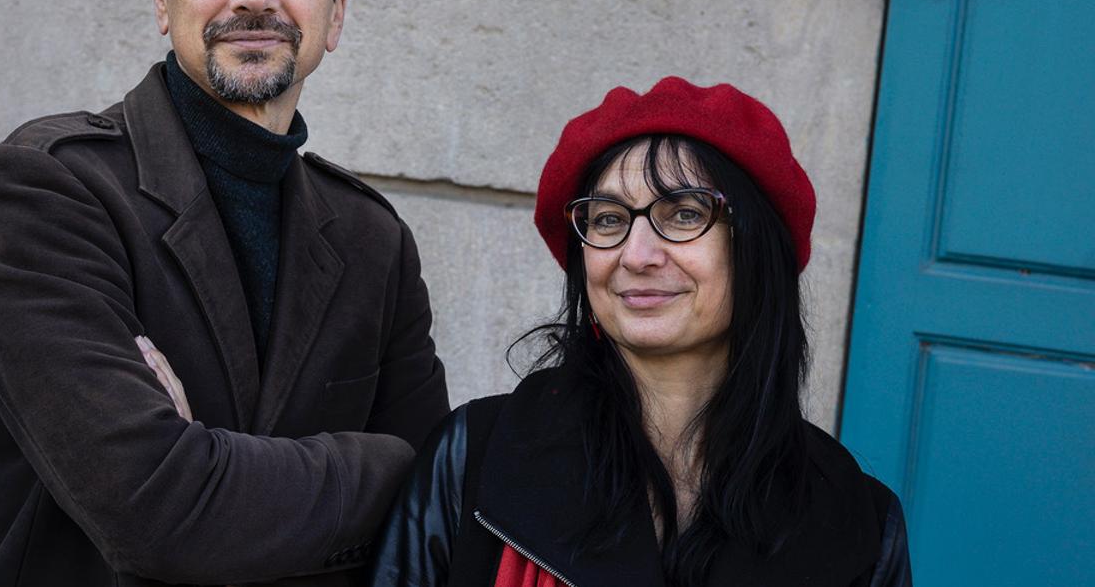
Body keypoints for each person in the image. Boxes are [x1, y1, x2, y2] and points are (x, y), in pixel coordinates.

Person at [0, 0, 447, 585]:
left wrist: (215, 470)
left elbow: (435, 517)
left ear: (337, 9)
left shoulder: (373, 242)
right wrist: (378, 461)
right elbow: (157, 517)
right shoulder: (48, 191)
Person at [368, 77, 911, 586]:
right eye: (608, 219)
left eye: (682, 214)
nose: (637, 254)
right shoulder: (472, 458)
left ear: (758, 249)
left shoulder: (859, 524)